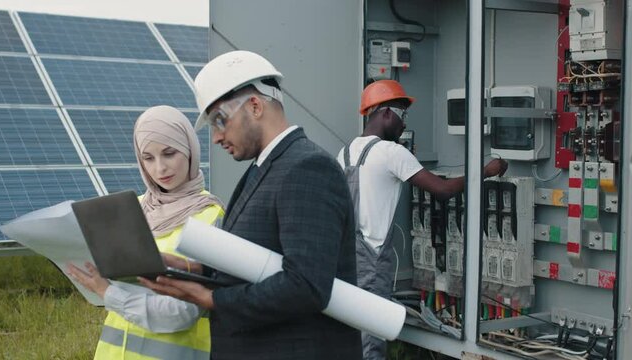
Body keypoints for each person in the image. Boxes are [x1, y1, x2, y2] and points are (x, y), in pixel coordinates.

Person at [139, 50, 362, 360]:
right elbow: (260, 257)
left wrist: (212, 299)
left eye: (219, 121)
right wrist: (192, 267)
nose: (215, 137)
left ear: (255, 106)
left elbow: (306, 286)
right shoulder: (266, 168)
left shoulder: (307, 168)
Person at [337, 79, 508, 360]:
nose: (404, 124)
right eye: (403, 115)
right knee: (370, 343)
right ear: (386, 113)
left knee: (349, 339)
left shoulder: (344, 153)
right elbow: (441, 191)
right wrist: (486, 171)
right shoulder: (392, 152)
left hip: (345, 260)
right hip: (372, 264)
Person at [67, 105, 224, 360]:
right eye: (148, 158)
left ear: (189, 149)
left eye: (169, 153)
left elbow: (183, 312)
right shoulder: (133, 208)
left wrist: (109, 294)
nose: (160, 168)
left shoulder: (209, 215)